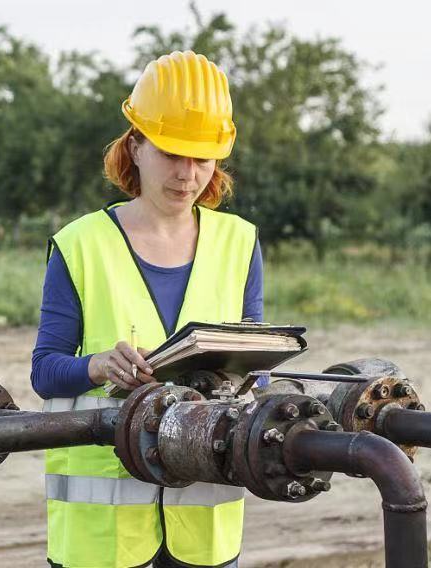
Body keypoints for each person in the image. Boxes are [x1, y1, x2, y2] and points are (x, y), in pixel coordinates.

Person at [31, 50, 263, 568]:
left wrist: (251, 380)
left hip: (204, 522)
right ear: (135, 146)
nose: (188, 175)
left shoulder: (240, 243)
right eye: (172, 153)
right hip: (102, 536)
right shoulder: (79, 245)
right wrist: (96, 366)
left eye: (202, 158)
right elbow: (45, 372)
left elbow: (256, 374)